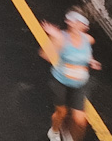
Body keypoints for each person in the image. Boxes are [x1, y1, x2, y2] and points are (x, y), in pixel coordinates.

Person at [43, 9, 102, 141]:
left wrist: (91, 61)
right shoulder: (61, 38)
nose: (84, 27)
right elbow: (45, 55)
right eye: (80, 23)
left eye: (84, 25)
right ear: (71, 23)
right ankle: (54, 131)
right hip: (60, 81)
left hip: (80, 84)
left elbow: (87, 53)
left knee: (80, 121)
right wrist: (56, 39)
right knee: (61, 112)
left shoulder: (88, 39)